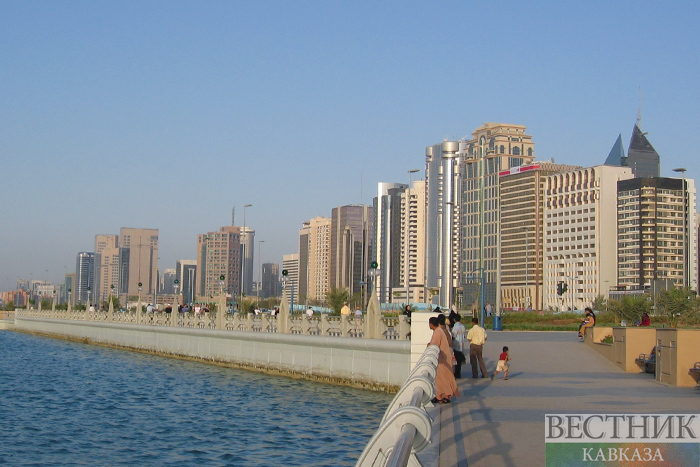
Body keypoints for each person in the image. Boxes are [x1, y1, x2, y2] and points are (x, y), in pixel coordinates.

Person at [428, 316, 460, 403]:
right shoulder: (440, 330)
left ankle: (445, 395)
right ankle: (441, 395)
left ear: (431, 324)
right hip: (443, 357)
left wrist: (428, 345)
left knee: (443, 377)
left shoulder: (438, 332)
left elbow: (434, 344)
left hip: (442, 358)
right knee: (442, 377)